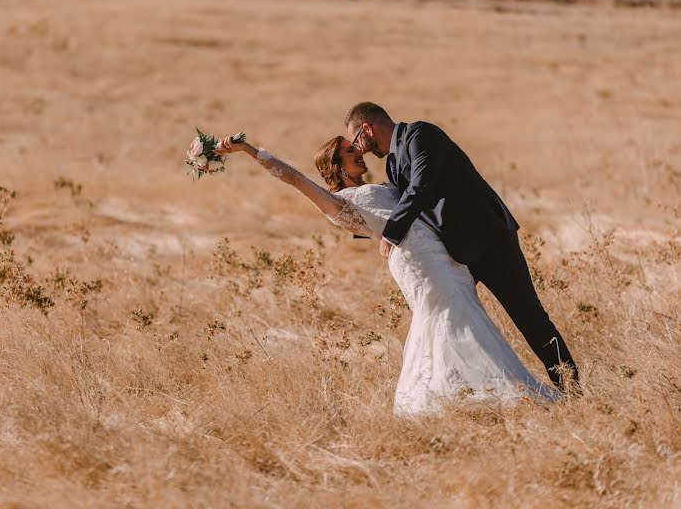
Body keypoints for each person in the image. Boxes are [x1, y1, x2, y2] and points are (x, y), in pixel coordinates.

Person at [215, 134, 560, 415]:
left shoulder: (384, 183)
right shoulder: (339, 202)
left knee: (463, 315)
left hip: (444, 257)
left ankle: (465, 391)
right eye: (349, 153)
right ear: (335, 167)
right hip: (417, 265)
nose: (358, 153)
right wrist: (248, 150)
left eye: (355, 147)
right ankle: (490, 392)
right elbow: (294, 178)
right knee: (449, 317)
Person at [344, 101, 579, 392]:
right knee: (461, 326)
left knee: (529, 318)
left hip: (491, 243)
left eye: (357, 141)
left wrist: (391, 234)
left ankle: (572, 390)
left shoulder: (420, 134)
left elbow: (421, 186)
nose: (361, 150)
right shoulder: (392, 164)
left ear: (367, 128)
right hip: (457, 255)